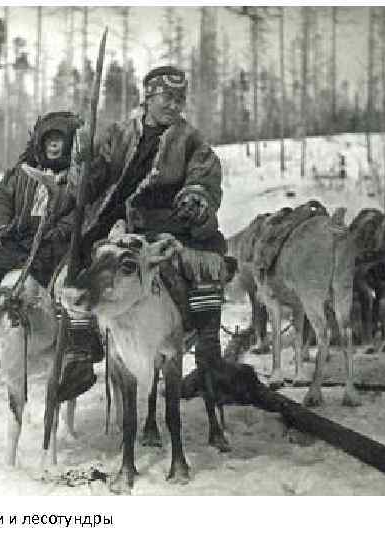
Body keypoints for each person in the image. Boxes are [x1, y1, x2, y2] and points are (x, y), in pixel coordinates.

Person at [62, 65, 237, 448]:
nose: (173, 106)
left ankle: (206, 349)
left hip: (167, 226)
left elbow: (203, 180)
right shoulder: (119, 133)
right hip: (113, 225)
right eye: (166, 98)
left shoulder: (191, 141)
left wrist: (195, 200)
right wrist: (84, 163)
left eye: (179, 99)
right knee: (74, 274)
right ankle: (80, 348)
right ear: (148, 97)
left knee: (198, 273)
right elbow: (95, 182)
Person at [0, 111, 102, 403]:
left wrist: (61, 230)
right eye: (49, 140)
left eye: (60, 140)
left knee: (66, 280)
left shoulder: (78, 178)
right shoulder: (19, 173)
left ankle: (75, 345)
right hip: (18, 235)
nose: (54, 146)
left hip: (54, 241)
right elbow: (0, 202)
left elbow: (85, 211)